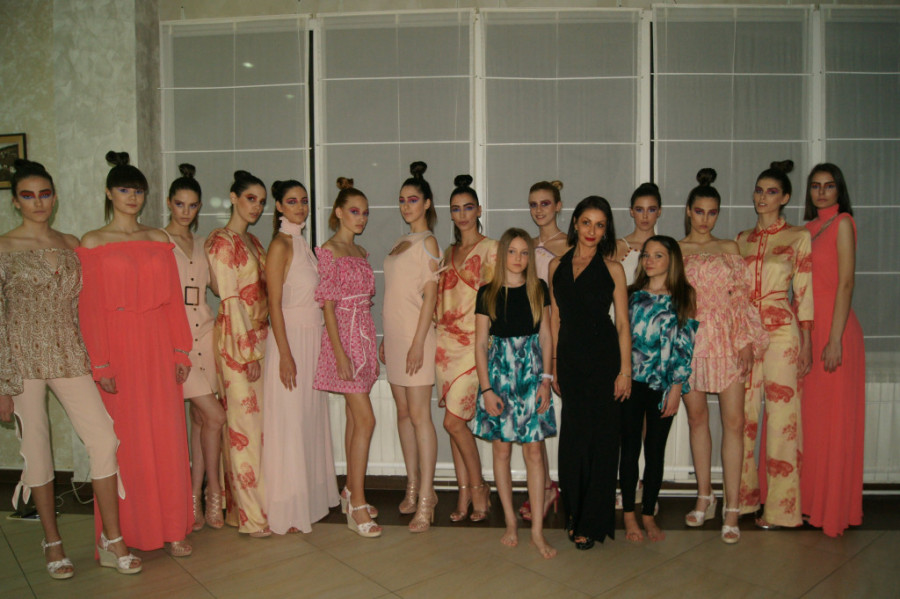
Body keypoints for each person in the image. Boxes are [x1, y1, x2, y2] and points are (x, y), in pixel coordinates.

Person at [0, 159, 141, 578]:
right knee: (37, 451)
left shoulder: (70, 243)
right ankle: (52, 542)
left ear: (54, 197)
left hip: (69, 353)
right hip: (21, 359)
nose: (38, 202)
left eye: (45, 194)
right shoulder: (3, 247)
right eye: (28, 195)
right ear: (15, 202)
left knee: (104, 439)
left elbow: (90, 303)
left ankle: (111, 539)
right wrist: (2, 382)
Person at [78, 151, 194, 556]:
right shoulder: (92, 242)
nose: (132, 197)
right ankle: (125, 533)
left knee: (167, 436)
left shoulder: (158, 239)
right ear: (109, 193)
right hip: (118, 347)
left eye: (139, 191)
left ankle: (174, 528)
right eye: (125, 190)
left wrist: (181, 351)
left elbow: (174, 301)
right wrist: (100, 362)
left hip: (159, 343)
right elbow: (89, 309)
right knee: (126, 443)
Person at [679, 168, 768, 544]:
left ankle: (733, 507)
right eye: (699, 212)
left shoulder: (729, 248)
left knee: (734, 422)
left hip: (728, 340)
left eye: (712, 212)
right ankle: (705, 496)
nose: (705, 219)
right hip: (690, 340)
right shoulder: (675, 249)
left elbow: (741, 298)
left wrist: (745, 341)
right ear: (688, 211)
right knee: (697, 419)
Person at [549, 195, 631, 550]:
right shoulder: (556, 265)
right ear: (575, 223)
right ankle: (574, 513)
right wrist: (553, 364)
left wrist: (625, 370)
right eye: (586, 222)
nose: (592, 231)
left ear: (606, 229)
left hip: (604, 360)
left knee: (602, 442)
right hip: (569, 360)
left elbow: (623, 324)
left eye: (600, 225)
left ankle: (591, 522)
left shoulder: (613, 268)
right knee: (573, 442)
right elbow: (554, 318)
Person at [736, 160, 813, 529]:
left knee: (783, 419)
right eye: (758, 190)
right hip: (746, 335)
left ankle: (782, 511)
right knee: (742, 417)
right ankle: (743, 501)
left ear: (785, 197)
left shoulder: (798, 237)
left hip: (783, 332)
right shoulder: (741, 240)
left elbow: (805, 292)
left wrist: (808, 342)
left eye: (771, 192)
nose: (762, 197)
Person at [472, 228, 557, 559]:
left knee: (534, 452)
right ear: (502, 254)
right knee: (502, 451)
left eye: (524, 252)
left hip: (533, 378)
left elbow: (547, 336)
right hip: (499, 379)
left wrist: (546, 380)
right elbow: (481, 344)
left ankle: (537, 531)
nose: (518, 258)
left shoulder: (539, 289)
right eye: (512, 251)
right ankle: (510, 522)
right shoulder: (487, 293)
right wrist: (486, 389)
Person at [262, 179, 340, 534]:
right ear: (279, 206)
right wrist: (284, 354)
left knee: (308, 420)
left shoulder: (304, 245)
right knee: (290, 424)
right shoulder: (279, 245)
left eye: (304, 201)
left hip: (312, 340)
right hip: (290, 340)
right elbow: (273, 304)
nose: (300, 207)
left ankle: (307, 502)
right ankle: (286, 507)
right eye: (292, 201)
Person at [314, 177, 382, 538]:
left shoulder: (361, 251)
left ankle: (349, 492)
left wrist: (369, 345)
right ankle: (357, 503)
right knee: (367, 420)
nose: (361, 218)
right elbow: (327, 306)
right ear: (338, 212)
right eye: (354, 211)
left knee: (356, 419)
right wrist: (340, 353)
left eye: (365, 213)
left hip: (364, 336)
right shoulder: (328, 250)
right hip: (343, 338)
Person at [801, 163, 865, 537]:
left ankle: (834, 509)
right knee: (812, 423)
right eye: (815, 186)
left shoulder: (843, 223)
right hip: (810, 329)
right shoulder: (808, 229)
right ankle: (810, 504)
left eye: (828, 185)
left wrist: (835, 339)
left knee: (834, 422)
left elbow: (846, 283)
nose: (822, 192)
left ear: (839, 190)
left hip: (836, 330)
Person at [205, 170, 270, 537]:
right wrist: (247, 354)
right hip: (236, 342)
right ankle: (251, 517)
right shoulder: (221, 241)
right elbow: (229, 300)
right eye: (250, 199)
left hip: (260, 338)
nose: (256, 207)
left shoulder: (255, 242)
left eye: (261, 201)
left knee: (259, 430)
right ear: (233, 198)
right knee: (242, 428)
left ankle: (256, 508)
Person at [621, 236, 698, 543]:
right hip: (631, 382)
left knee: (655, 450)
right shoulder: (631, 294)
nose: (649, 261)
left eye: (658, 255)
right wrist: (621, 374)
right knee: (629, 450)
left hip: (663, 385)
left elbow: (684, 345)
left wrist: (676, 388)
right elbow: (622, 337)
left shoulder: (683, 296)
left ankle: (648, 513)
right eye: (646, 255)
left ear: (671, 260)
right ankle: (629, 513)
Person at [163, 164, 227, 532]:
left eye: (192, 205)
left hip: (207, 334)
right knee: (215, 416)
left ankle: (195, 498)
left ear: (199, 206)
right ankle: (212, 491)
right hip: (176, 342)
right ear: (169, 203)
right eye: (179, 204)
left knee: (202, 420)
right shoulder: (157, 241)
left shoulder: (204, 244)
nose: (185, 211)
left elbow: (219, 288)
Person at [379, 162, 441, 532]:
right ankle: (413, 485)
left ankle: (428, 497)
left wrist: (418, 343)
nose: (406, 206)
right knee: (403, 414)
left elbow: (430, 297)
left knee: (419, 416)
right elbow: (395, 295)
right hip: (396, 337)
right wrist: (387, 339)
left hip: (418, 339)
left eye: (413, 200)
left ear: (427, 203)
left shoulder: (428, 242)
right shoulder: (398, 242)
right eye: (402, 200)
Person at [435, 175, 497, 523]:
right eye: (456, 209)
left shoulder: (492, 249)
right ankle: (463, 494)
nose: (462, 215)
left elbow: (498, 300)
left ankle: (479, 487)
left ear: (479, 210)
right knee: (454, 424)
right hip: (444, 346)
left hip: (475, 346)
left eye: (468, 208)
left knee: (453, 422)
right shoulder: (448, 252)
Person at [519, 180, 567, 524]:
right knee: (535, 417)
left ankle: (577, 489)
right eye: (533, 204)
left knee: (571, 420)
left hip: (563, 336)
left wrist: (558, 354)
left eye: (545, 203)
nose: (539, 210)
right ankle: (546, 487)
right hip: (529, 342)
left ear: (558, 206)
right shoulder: (525, 247)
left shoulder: (572, 245)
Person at [617, 182, 662, 285]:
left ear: (659, 211)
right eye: (639, 210)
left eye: (651, 210)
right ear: (631, 211)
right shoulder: (617, 247)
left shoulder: (667, 248)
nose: (645, 216)